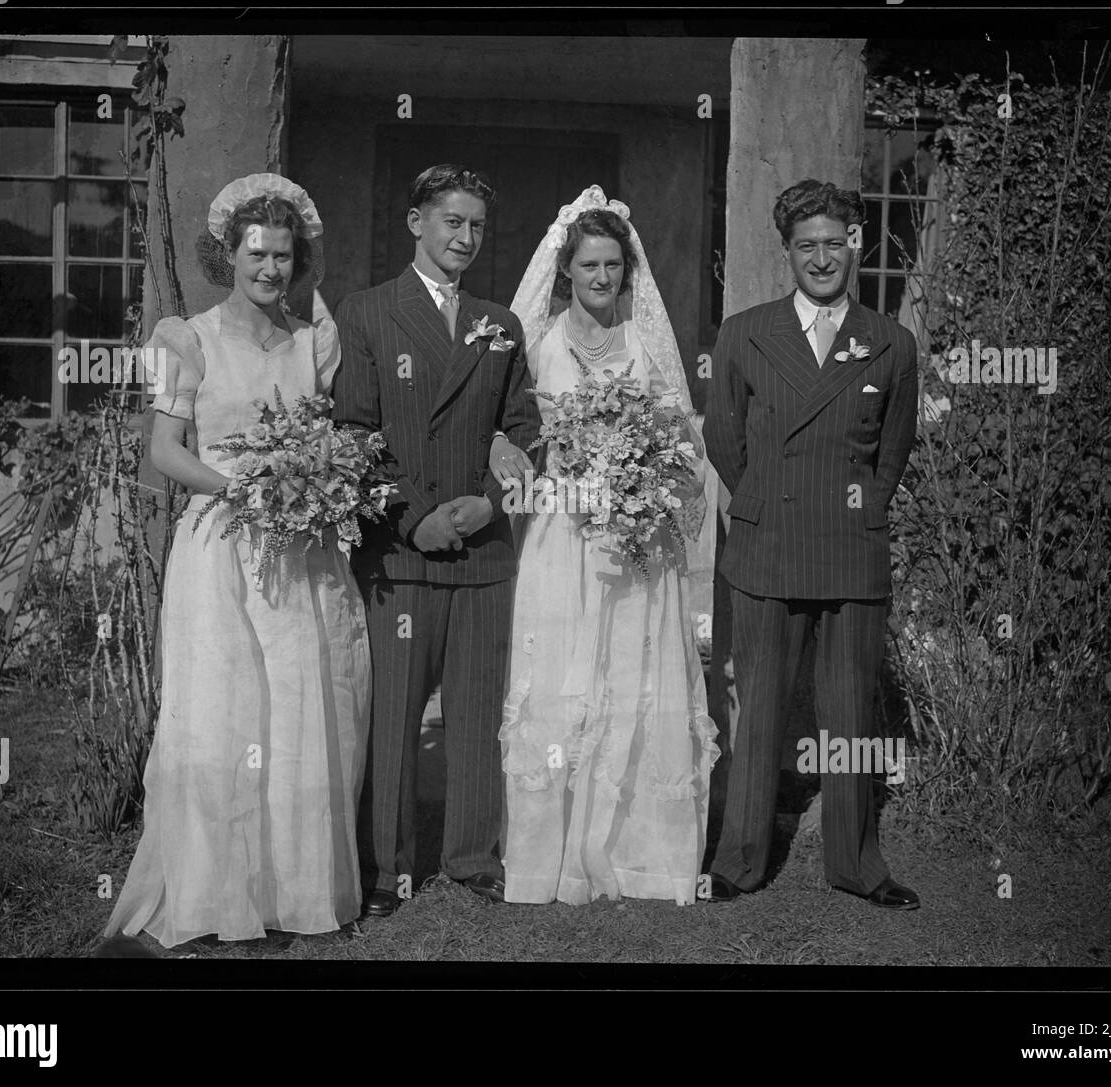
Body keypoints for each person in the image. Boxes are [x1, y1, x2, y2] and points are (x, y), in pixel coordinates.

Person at [102, 173, 371, 948]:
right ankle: (218, 892)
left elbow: (318, 435)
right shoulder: (185, 338)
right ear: (229, 252)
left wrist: (314, 483)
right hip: (221, 545)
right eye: (256, 253)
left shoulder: (310, 342)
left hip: (297, 554)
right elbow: (162, 452)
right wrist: (242, 490)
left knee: (294, 710)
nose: (270, 269)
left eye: (284, 256)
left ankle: (291, 889)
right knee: (224, 714)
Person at [491, 186, 719, 906]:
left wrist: (646, 470)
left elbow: (682, 434)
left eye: (612, 266)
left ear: (628, 271)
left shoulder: (646, 346)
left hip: (634, 537)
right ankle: (549, 856)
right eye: (588, 265)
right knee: (562, 679)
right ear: (566, 271)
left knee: (631, 675)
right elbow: (507, 424)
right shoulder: (537, 342)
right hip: (561, 532)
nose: (600, 278)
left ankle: (636, 851)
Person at [702, 178, 920, 908]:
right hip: (767, 546)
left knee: (851, 712)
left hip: (851, 549)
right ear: (786, 251)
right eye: (807, 246)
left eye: (835, 242)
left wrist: (856, 511)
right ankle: (739, 861)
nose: (822, 257)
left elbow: (893, 452)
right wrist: (763, 502)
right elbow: (723, 438)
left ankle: (858, 863)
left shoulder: (890, 342)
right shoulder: (744, 331)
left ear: (853, 243)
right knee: (759, 706)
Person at [333, 165, 542, 916]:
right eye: (451, 221)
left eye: (477, 226)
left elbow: (526, 430)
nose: (465, 237)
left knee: (478, 710)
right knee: (393, 714)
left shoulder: (500, 324)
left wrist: (489, 507)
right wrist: (416, 515)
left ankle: (472, 855)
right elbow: (355, 431)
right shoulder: (366, 313)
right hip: (402, 552)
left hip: (484, 552)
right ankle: (386, 866)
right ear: (415, 221)